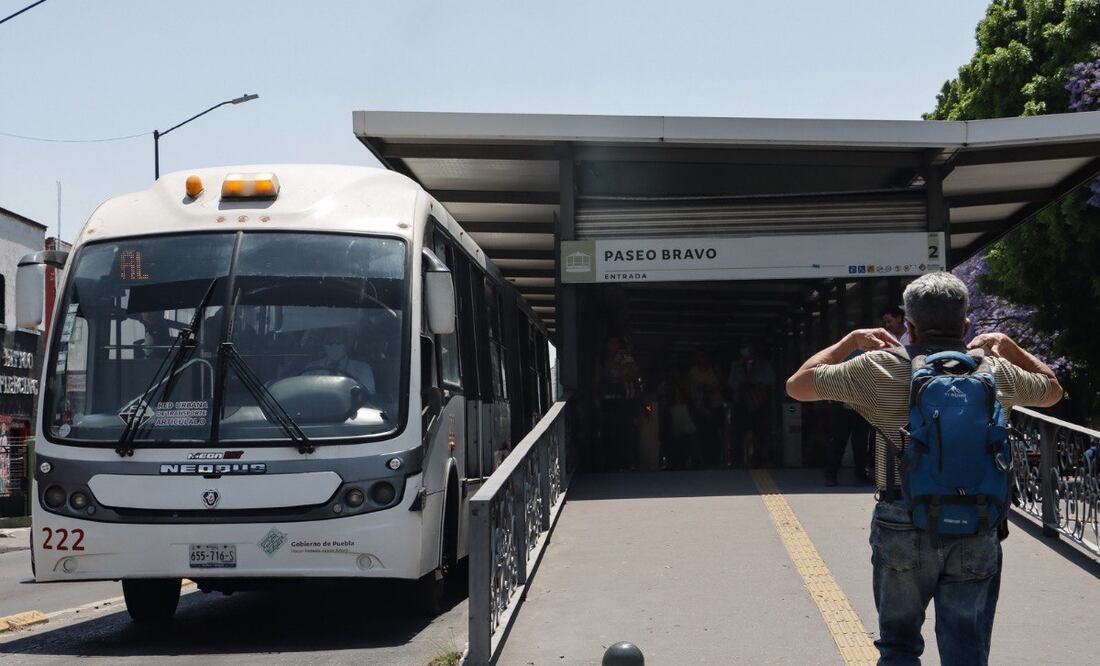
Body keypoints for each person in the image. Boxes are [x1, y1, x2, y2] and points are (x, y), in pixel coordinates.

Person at [786, 272, 1062, 665]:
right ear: (966, 325)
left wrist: (849, 342)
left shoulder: (877, 367)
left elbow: (798, 385)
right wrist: (1009, 346)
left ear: (908, 327)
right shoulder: (994, 372)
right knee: (966, 650)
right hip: (977, 519)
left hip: (902, 518)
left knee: (898, 648)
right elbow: (1052, 389)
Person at [728, 342, 776, 467]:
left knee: (761, 432)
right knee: (738, 433)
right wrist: (742, 384)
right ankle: (737, 461)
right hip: (741, 402)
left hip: (759, 402)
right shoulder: (736, 365)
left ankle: (760, 459)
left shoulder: (763, 364)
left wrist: (756, 382)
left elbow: (771, 379)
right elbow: (732, 383)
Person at [303, 327, 376, 394]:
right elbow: (303, 393)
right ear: (323, 343)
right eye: (329, 342)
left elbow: (367, 397)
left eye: (338, 342)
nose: (334, 345)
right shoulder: (312, 368)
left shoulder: (362, 369)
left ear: (347, 343)